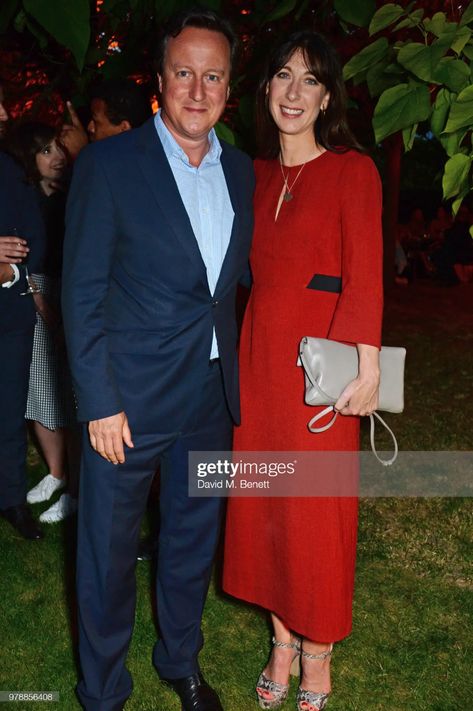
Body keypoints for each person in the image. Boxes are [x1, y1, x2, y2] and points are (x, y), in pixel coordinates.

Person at [61, 9, 254, 711]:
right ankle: (104, 689)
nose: (197, 90)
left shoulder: (241, 171)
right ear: (159, 79)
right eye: (183, 73)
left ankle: (181, 660)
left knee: (189, 542)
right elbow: (80, 294)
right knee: (107, 557)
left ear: (229, 88)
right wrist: (98, 403)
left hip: (208, 398)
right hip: (128, 402)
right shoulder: (110, 164)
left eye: (213, 75)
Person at [223, 31, 383, 711]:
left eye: (309, 81)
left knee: (315, 510)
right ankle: (281, 638)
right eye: (283, 76)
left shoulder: (351, 170)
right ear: (264, 88)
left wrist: (366, 364)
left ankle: (316, 651)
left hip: (322, 364)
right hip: (258, 359)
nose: (293, 92)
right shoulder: (250, 175)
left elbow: (366, 274)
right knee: (266, 503)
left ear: (326, 97)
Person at [8, 122, 80, 523]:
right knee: (38, 393)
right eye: (45, 150)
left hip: (71, 295)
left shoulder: (76, 196)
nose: (56, 158)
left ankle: (74, 485)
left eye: (59, 149)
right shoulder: (25, 200)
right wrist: (37, 295)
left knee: (69, 397)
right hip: (35, 295)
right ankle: (55, 474)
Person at [0, 86, 46, 540]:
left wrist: (11, 270)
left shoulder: (10, 170)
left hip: (9, 319)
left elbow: (34, 238)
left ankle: (11, 497)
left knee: (9, 412)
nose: (3, 110)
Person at [60, 78, 153, 160]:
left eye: (96, 122)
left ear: (124, 128)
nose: (90, 127)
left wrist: (81, 154)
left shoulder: (140, 165)